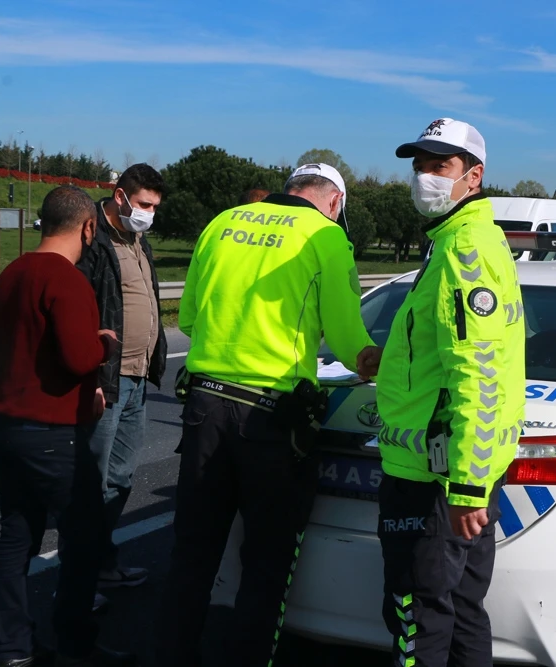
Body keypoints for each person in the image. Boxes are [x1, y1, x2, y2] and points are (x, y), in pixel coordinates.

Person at [155, 163, 381, 666]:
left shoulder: (224, 221)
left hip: (204, 405)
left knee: (193, 551)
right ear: (335, 202)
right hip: (270, 419)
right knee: (265, 560)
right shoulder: (324, 237)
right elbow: (348, 342)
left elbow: (188, 316)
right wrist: (385, 366)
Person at [367, 118, 527, 667]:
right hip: (454, 469)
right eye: (419, 165)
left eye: (440, 166)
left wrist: (466, 488)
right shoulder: (459, 241)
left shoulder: (465, 250)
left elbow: (478, 373)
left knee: (419, 616)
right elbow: (438, 353)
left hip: (435, 477)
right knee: (459, 609)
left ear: (473, 176)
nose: (424, 177)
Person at [0, 185, 136, 667]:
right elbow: (78, 356)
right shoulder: (68, 280)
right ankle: (76, 643)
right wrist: (105, 344)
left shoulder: (13, 273)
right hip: (51, 434)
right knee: (87, 537)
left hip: (5, 427)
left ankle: (13, 647)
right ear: (88, 227)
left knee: (16, 538)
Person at [67, 163, 167, 604]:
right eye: (143, 204)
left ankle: (101, 564)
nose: (148, 213)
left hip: (138, 376)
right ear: (120, 196)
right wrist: (92, 375)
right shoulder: (94, 241)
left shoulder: (137, 239)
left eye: (154, 207)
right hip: (106, 379)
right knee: (91, 482)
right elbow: (81, 308)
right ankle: (79, 582)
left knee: (121, 478)